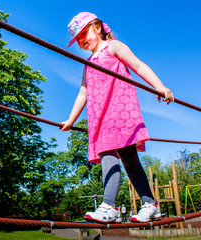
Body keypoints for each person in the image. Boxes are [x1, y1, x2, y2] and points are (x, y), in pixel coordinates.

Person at [60, 12, 174, 223]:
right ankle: (150, 204)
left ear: (96, 27)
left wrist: (159, 87)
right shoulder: (88, 63)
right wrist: (71, 120)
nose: (82, 40)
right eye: (78, 39)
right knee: (125, 159)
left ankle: (109, 205)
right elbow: (83, 93)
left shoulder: (113, 47)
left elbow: (138, 66)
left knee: (114, 157)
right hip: (100, 118)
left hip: (120, 112)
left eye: (84, 32)